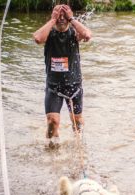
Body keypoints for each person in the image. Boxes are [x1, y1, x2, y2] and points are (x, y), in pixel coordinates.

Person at [33, 4, 92, 148]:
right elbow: (38, 38)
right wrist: (53, 20)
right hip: (54, 87)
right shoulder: (49, 33)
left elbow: (87, 35)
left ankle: (79, 146)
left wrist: (71, 18)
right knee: (53, 121)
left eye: (64, 16)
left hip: (74, 86)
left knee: (77, 122)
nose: (61, 19)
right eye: (58, 16)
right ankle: (51, 145)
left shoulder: (74, 33)